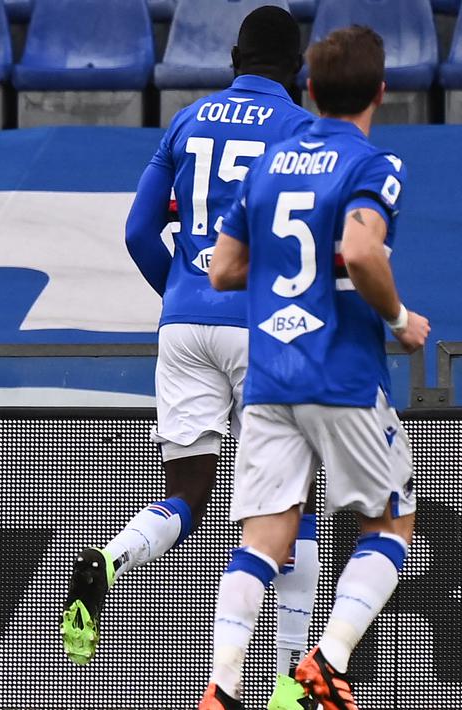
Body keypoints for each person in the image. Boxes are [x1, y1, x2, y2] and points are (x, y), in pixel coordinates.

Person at [63, 7, 320, 708]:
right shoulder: (302, 130)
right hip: (263, 329)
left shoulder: (187, 120)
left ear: (233, 56)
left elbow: (138, 230)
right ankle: (288, 685)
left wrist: (180, 291)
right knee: (291, 508)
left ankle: (109, 558)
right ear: (297, 69)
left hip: (183, 326)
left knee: (188, 492)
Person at [199, 25, 427, 710]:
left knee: (261, 540)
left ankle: (221, 686)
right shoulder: (372, 165)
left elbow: (221, 270)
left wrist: (282, 278)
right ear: (380, 93)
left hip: (269, 377)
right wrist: (397, 320)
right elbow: (361, 251)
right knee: (391, 523)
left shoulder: (266, 165)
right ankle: (325, 664)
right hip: (342, 375)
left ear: (308, 90)